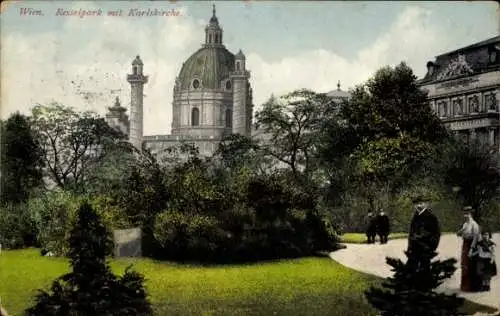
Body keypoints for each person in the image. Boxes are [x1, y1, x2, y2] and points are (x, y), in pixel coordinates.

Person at [407, 196, 441, 269]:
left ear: (425, 204)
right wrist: (409, 246)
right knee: (411, 269)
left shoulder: (431, 217)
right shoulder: (415, 216)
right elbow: (411, 233)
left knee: (424, 269)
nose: (418, 206)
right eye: (416, 204)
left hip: (425, 248)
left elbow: (436, 233)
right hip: (414, 248)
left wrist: (431, 247)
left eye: (420, 203)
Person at [456, 206, 481, 292]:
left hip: (471, 245)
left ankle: (472, 287)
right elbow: (458, 234)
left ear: (471, 214)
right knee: (464, 264)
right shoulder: (465, 224)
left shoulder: (474, 224)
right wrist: (460, 231)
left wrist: (471, 249)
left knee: (471, 265)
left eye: (467, 214)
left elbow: (476, 237)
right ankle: (465, 286)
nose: (465, 216)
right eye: (464, 214)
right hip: (465, 244)